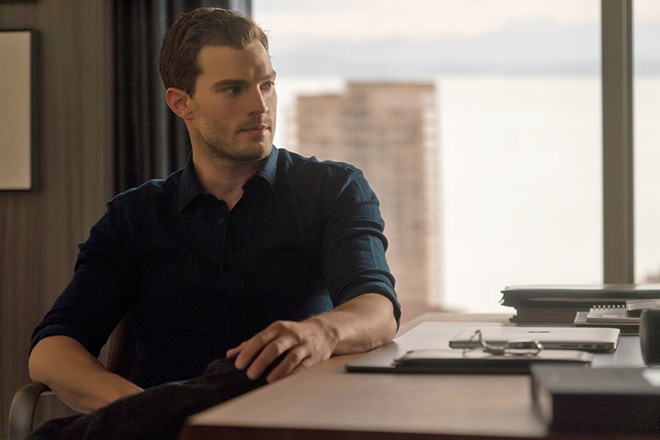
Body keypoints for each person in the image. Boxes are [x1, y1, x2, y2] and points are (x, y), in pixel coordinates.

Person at [26, 6, 400, 438]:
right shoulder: (135, 216)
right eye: (233, 89)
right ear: (181, 103)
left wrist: (321, 333)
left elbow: (377, 309)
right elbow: (51, 350)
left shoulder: (333, 188)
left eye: (267, 84)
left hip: (284, 420)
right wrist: (145, 411)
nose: (259, 105)